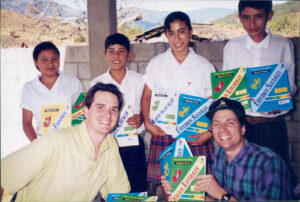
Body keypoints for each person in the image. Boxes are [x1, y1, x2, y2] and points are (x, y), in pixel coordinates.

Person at [1, 82, 131, 201]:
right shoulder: (55, 142)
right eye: (100, 107)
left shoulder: (110, 144)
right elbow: (4, 177)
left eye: (113, 109)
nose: (108, 115)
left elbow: (118, 190)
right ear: (85, 111)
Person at [161, 97, 295, 201]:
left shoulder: (268, 163)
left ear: (243, 128)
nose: (222, 130)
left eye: (230, 123)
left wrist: (221, 194)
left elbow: (220, 196)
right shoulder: (219, 155)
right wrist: (177, 190)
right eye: (216, 124)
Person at [141, 11, 215, 195]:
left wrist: (210, 131)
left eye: (181, 31)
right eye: (171, 33)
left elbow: (215, 105)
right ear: (166, 34)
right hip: (165, 135)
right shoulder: (157, 64)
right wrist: (148, 123)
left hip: (196, 137)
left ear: (190, 32)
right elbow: (146, 97)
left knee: (199, 191)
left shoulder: (204, 66)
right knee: (170, 190)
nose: (177, 38)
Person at [222, 0, 297, 163]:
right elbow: (227, 88)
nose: (252, 23)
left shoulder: (283, 45)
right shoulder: (233, 47)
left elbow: (291, 85)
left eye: (258, 16)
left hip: (272, 124)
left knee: (273, 175)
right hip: (242, 125)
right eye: (246, 17)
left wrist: (281, 102)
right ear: (239, 18)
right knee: (242, 175)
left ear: (269, 15)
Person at [90, 33, 147, 192]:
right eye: (111, 51)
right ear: (105, 55)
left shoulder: (140, 80)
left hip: (134, 145)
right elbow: (92, 115)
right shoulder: (97, 83)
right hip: (107, 144)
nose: (116, 56)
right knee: (110, 190)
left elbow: (148, 108)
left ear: (129, 54)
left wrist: (142, 117)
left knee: (136, 189)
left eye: (121, 51)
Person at [20, 41, 83, 141]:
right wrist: (37, 145)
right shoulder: (29, 88)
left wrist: (75, 139)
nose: (50, 63)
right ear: (36, 62)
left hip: (70, 141)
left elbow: (80, 114)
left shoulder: (74, 82)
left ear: (59, 60)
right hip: (44, 142)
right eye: (44, 60)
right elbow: (26, 123)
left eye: (54, 59)